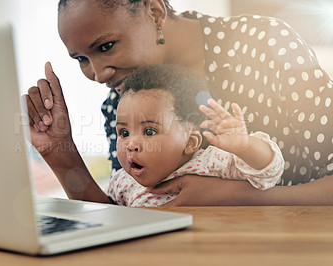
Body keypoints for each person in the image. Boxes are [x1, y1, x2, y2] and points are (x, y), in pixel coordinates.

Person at [24, 0, 333, 205]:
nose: (97, 74)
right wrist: (59, 154)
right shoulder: (121, 105)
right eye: (81, 59)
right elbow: (127, 212)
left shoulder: (265, 43)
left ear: (155, 12)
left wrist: (240, 196)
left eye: (106, 46)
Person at [108, 64, 284, 207]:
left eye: (149, 131)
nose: (131, 144)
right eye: (124, 133)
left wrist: (245, 146)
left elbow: (269, 172)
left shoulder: (210, 164)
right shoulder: (122, 183)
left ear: (190, 142)